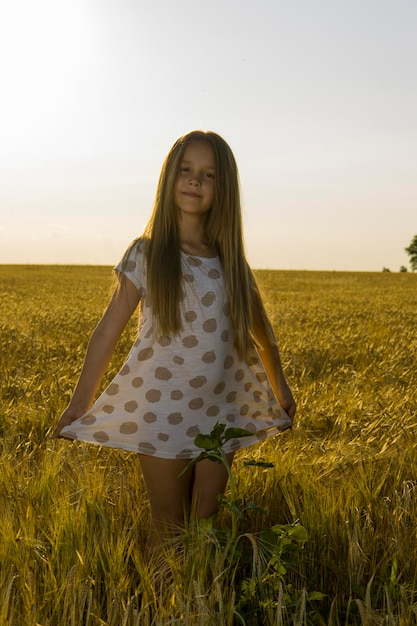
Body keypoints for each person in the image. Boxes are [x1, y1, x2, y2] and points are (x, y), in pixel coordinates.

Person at [51, 130, 296, 551]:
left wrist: (281, 387)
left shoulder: (231, 263)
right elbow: (107, 331)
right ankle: (158, 604)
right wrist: (80, 402)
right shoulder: (148, 254)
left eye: (208, 174)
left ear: (224, 189)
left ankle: (193, 603)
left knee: (204, 527)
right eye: (186, 170)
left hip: (224, 410)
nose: (195, 181)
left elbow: (262, 335)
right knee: (167, 525)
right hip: (162, 410)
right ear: (170, 178)